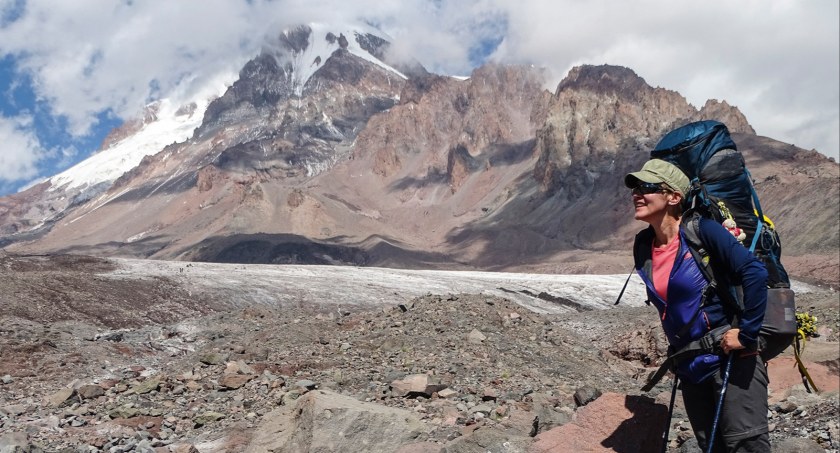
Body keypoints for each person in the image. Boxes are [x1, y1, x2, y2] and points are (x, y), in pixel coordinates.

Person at [625, 159, 770, 452]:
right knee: (710, 447)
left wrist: (746, 333)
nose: (636, 194)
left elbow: (754, 272)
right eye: (634, 188)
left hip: (729, 358)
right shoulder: (644, 246)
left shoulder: (702, 231)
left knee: (746, 446)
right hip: (689, 365)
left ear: (673, 197)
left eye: (646, 187)